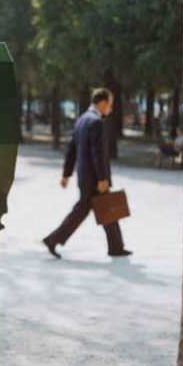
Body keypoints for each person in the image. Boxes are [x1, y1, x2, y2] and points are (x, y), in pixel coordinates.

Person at [42, 88, 131, 259]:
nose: (111, 109)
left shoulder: (81, 120)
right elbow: (98, 153)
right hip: (94, 178)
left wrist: (66, 174)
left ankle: (116, 246)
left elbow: (71, 151)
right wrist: (103, 178)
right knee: (94, 208)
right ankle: (53, 239)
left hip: (85, 176)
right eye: (110, 105)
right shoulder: (96, 122)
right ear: (103, 103)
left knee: (104, 207)